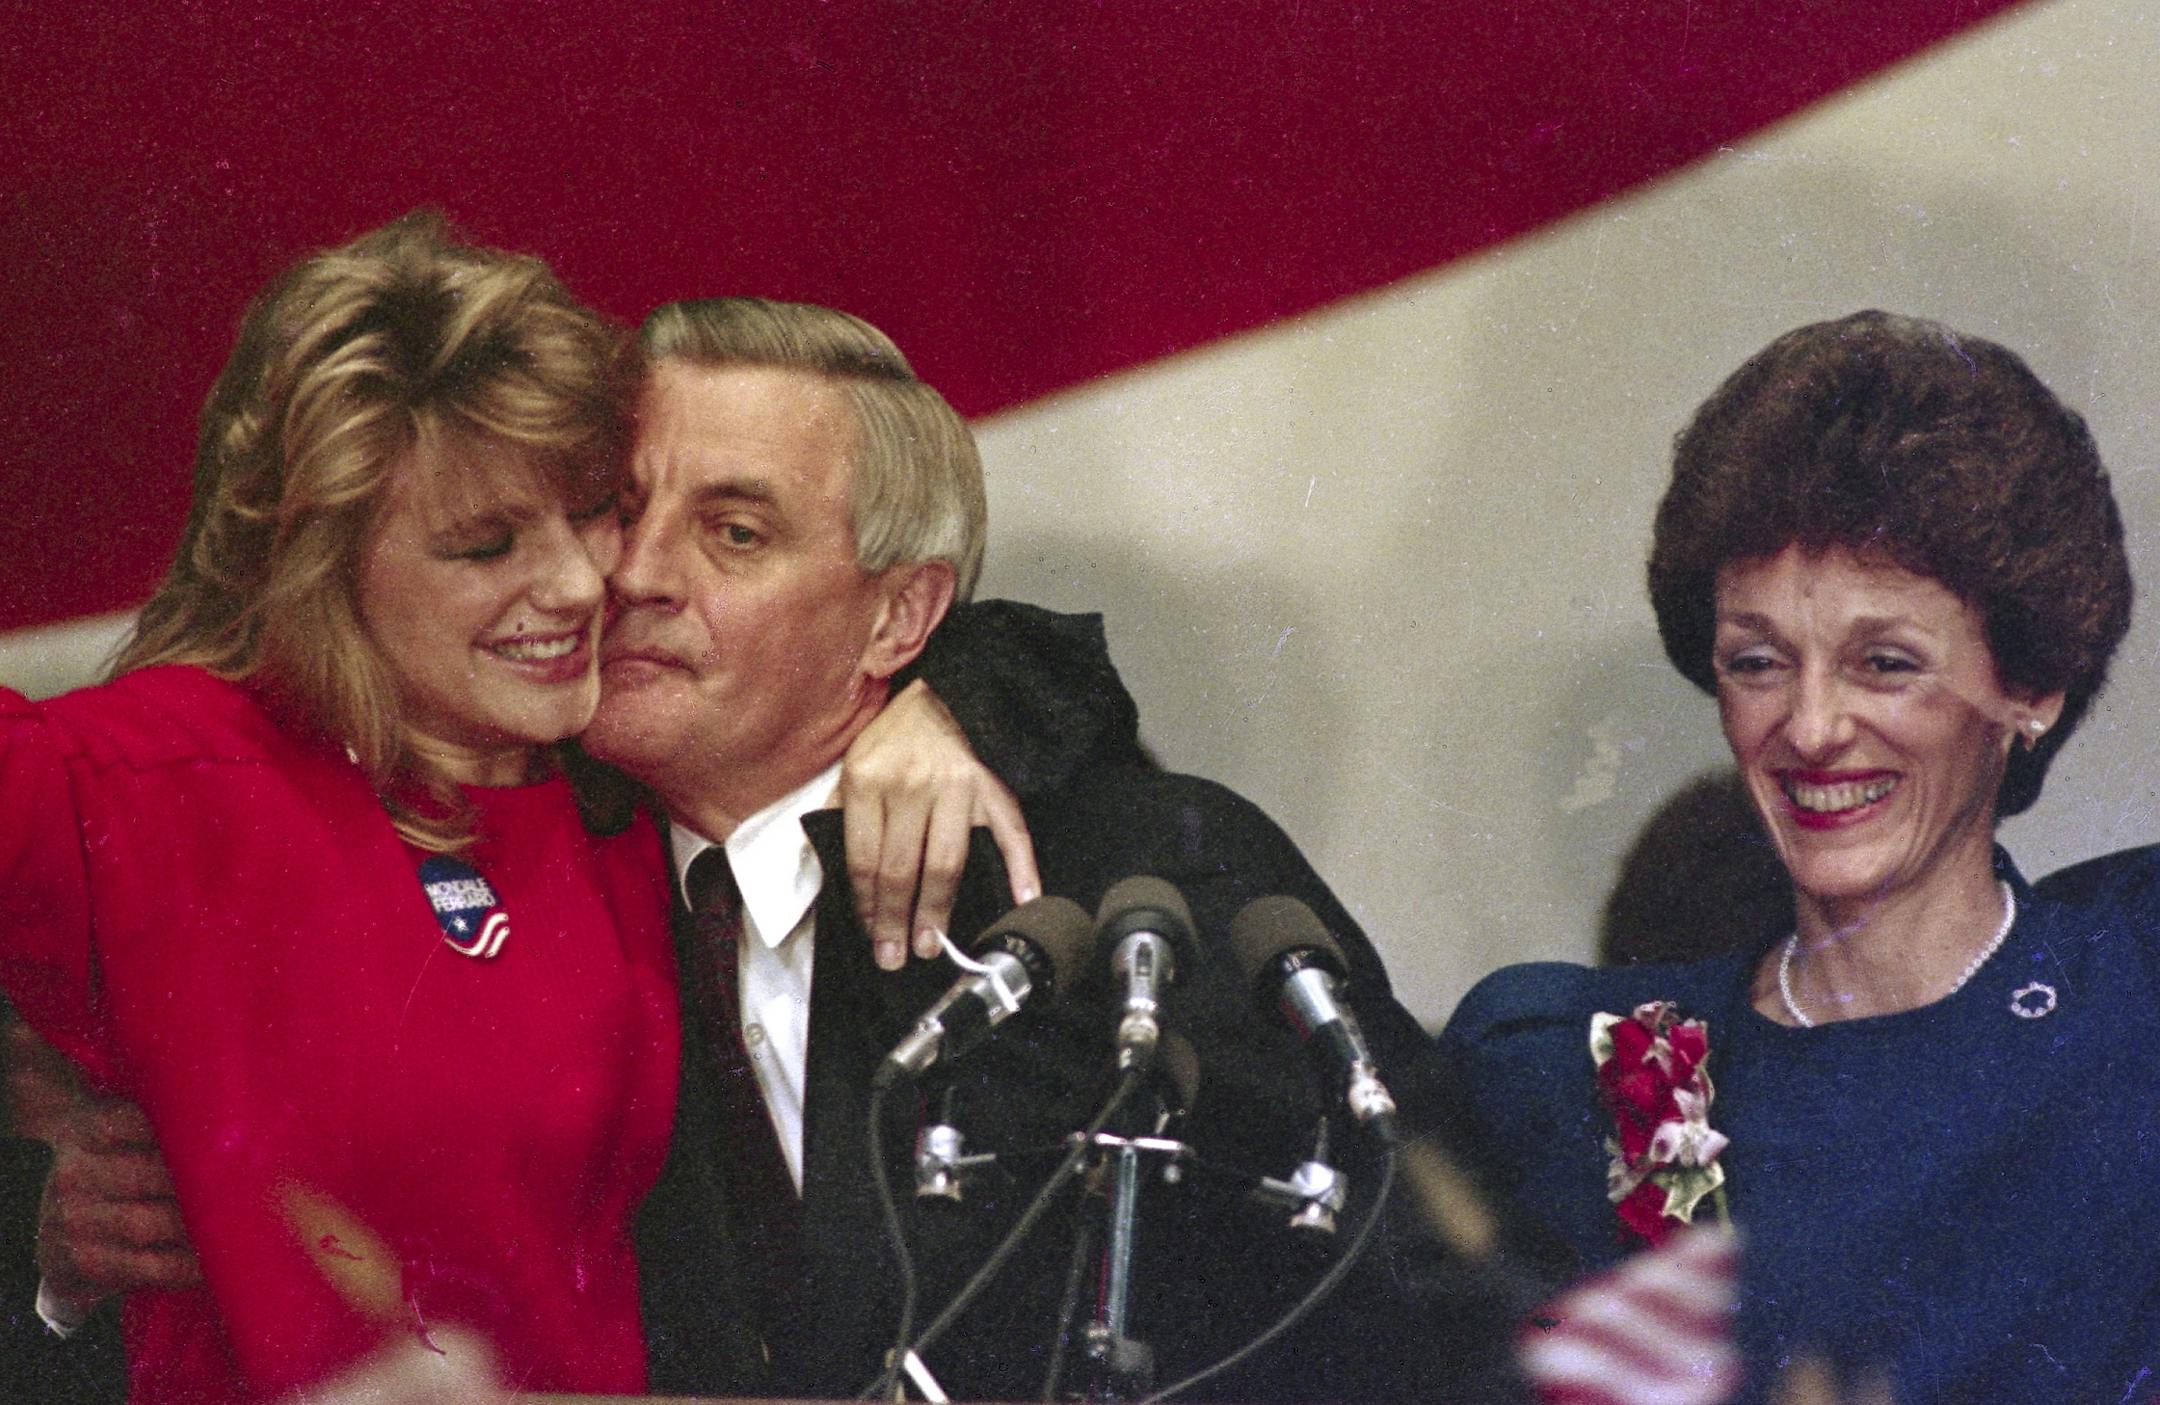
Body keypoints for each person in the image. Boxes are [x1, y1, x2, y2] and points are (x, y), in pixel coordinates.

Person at [0, 215, 1070, 1403]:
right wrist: (36, 1243)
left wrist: (943, 702)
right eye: (486, 544)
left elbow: (949, 651)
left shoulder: (606, 770)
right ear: (321, 555)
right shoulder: (164, 780)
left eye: (588, 508)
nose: (583, 583)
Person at [591, 297, 1522, 1401]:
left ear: (898, 618)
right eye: (614, 510)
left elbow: (1431, 1284)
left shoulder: (1136, 871)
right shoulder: (541, 869)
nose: (635, 573)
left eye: (735, 533)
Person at [1435, 310, 2156, 1403]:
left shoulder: (2132, 993)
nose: (1811, 727)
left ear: (2032, 687)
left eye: (1884, 662)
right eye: (1760, 661)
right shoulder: (1610, 1065)